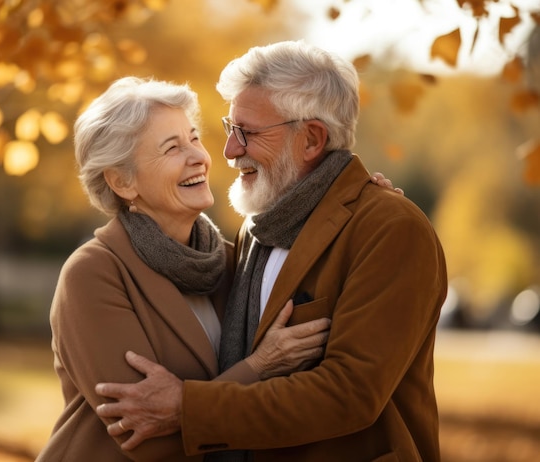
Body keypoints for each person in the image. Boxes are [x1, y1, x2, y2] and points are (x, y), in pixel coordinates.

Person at [95, 40, 448, 462]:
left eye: (247, 133)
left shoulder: (390, 228)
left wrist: (186, 408)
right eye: (230, 129)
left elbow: (348, 395)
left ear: (312, 140)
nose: (228, 151)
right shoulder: (258, 230)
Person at [34, 76, 339, 462]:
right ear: (122, 181)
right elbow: (150, 441)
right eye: (172, 148)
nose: (199, 156)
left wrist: (359, 196)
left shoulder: (233, 260)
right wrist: (259, 367)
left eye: (194, 138)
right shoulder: (93, 275)